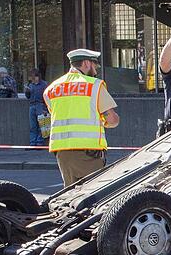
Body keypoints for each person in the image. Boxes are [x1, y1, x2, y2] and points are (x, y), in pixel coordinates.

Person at [45, 48, 120, 186]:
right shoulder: (94, 86)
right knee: (94, 195)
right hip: (89, 153)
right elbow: (112, 120)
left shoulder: (51, 89)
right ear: (86, 63)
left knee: (71, 195)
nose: (96, 69)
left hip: (62, 153)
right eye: (94, 64)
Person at [25, 68, 49, 146]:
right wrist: (27, 92)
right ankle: (32, 142)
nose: (33, 79)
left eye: (34, 77)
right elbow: (28, 97)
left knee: (40, 125)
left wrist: (45, 108)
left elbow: (46, 96)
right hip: (32, 105)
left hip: (40, 105)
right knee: (33, 125)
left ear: (38, 76)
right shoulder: (30, 85)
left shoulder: (44, 84)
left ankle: (39, 142)